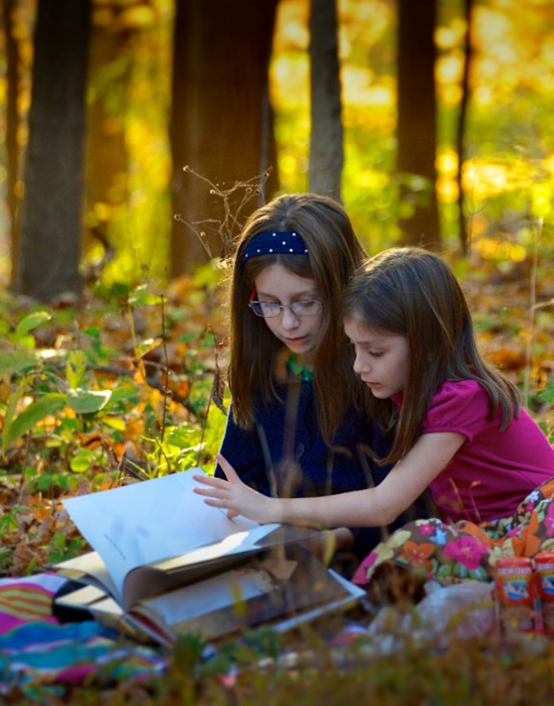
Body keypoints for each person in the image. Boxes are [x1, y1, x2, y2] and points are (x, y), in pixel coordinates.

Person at [195, 246, 554, 589]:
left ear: (427, 344)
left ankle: (361, 619)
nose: (359, 365)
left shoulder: (462, 398)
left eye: (375, 351)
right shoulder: (408, 389)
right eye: (354, 347)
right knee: (409, 555)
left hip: (533, 527)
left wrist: (271, 508)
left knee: (412, 542)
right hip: (484, 534)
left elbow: (384, 504)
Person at [212, 195, 425, 570]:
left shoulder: (377, 374)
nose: (288, 323)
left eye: (305, 301)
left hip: (370, 564)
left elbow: (406, 504)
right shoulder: (261, 371)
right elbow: (237, 481)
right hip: (271, 559)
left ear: (341, 288)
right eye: (270, 303)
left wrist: (332, 540)